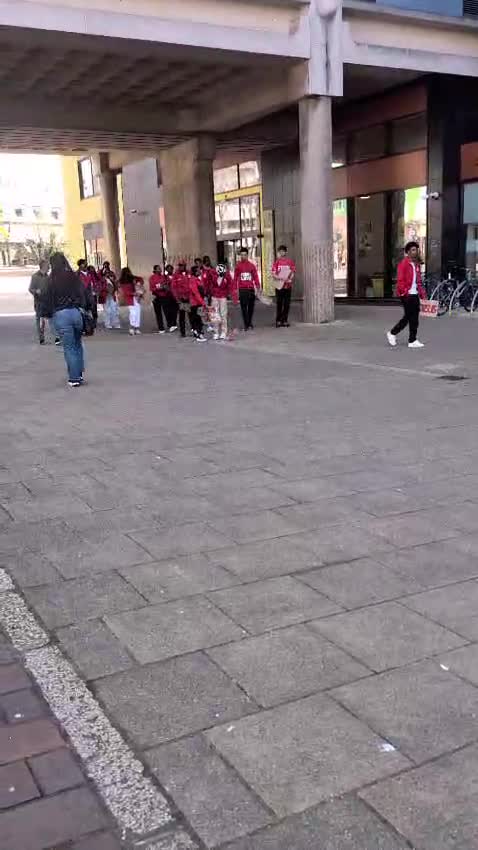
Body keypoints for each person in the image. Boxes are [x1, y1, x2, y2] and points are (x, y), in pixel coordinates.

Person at [46, 252, 86, 388]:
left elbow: (47, 299)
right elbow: (83, 293)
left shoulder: (51, 279)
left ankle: (74, 378)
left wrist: (49, 314)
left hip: (61, 314)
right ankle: (79, 374)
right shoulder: (73, 276)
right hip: (76, 312)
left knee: (69, 347)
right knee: (78, 344)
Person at [387, 241, 426, 349]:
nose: (415, 252)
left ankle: (412, 340)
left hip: (415, 294)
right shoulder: (403, 264)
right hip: (407, 295)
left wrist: (422, 294)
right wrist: (404, 292)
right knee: (408, 317)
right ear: (408, 252)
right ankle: (392, 333)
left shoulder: (416, 264)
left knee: (415, 319)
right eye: (413, 250)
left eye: (416, 250)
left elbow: (418, 281)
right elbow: (400, 280)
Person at [172, 261, 207, 341]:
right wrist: (177, 298)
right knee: (182, 316)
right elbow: (174, 287)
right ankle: (183, 332)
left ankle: (194, 330)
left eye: (183, 265)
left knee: (192, 316)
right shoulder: (176, 275)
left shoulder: (189, 274)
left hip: (189, 298)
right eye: (180, 265)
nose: (182, 267)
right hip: (182, 298)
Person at [233, 246, 260, 331]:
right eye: (242, 255)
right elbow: (235, 278)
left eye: (244, 255)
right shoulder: (238, 266)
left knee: (251, 307)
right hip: (242, 289)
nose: (243, 257)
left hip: (250, 289)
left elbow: (255, 276)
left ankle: (249, 322)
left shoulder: (252, 266)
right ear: (240, 256)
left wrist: (258, 286)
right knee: (244, 307)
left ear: (247, 255)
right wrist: (235, 289)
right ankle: (246, 324)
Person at [29, 259, 55, 344]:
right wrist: (36, 291)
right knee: (41, 321)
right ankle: (41, 338)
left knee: (52, 320)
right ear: (43, 266)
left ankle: (57, 338)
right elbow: (30, 289)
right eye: (48, 266)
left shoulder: (49, 277)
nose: (49, 267)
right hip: (39, 302)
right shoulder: (35, 276)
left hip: (49, 302)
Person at [272, 244, 296, 328]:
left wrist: (290, 278)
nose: (282, 253)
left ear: (286, 252)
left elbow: (292, 272)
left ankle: (285, 320)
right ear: (279, 252)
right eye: (280, 251)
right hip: (279, 286)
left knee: (287, 304)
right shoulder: (277, 262)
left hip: (287, 286)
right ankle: (278, 320)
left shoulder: (290, 262)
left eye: (283, 251)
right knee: (279, 303)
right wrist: (279, 277)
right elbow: (273, 273)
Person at [210, 263, 236, 340]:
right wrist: (210, 292)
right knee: (215, 314)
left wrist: (234, 298)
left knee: (223, 315)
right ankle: (216, 332)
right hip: (214, 297)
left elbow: (231, 286)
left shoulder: (227, 276)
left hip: (223, 297)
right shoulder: (213, 275)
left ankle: (224, 332)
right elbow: (209, 285)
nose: (222, 274)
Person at [149, 264, 178, 334]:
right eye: (158, 268)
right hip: (156, 296)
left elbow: (167, 284)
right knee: (158, 313)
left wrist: (166, 287)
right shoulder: (152, 278)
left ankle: (170, 325)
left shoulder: (163, 277)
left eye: (160, 268)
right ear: (155, 270)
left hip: (164, 296)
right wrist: (160, 287)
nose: (160, 269)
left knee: (167, 312)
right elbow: (152, 288)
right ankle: (161, 328)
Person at [119, 267, 144, 335]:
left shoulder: (133, 278)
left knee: (138, 312)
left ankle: (137, 328)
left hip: (136, 298)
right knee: (133, 313)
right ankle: (132, 327)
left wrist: (138, 283)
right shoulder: (122, 281)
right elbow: (125, 291)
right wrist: (133, 293)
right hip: (130, 298)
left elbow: (141, 279)